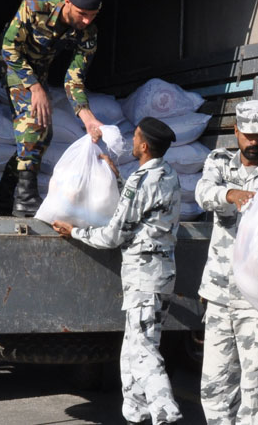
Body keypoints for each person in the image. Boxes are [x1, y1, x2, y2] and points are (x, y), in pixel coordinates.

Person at [52, 116, 182, 425]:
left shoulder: (141, 181)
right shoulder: (169, 175)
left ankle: (166, 412)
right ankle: (136, 415)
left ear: (144, 145)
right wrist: (120, 178)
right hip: (161, 275)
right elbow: (144, 209)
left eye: (135, 138)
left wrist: (75, 233)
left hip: (143, 278)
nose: (132, 142)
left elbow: (113, 235)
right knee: (131, 353)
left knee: (144, 352)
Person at [194, 100, 258, 425]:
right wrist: (231, 195)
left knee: (257, 388)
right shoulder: (218, 162)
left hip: (257, 301)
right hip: (218, 297)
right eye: (248, 135)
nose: (254, 142)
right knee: (215, 386)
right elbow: (203, 192)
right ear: (236, 132)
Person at [0, 0, 106, 217]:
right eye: (82, 13)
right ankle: (25, 199)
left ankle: (1, 200)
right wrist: (35, 87)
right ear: (67, 2)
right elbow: (9, 48)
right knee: (33, 119)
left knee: (44, 132)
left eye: (92, 15)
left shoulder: (89, 33)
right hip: (11, 59)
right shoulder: (35, 6)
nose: (86, 21)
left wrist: (87, 117)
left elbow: (74, 78)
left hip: (39, 68)